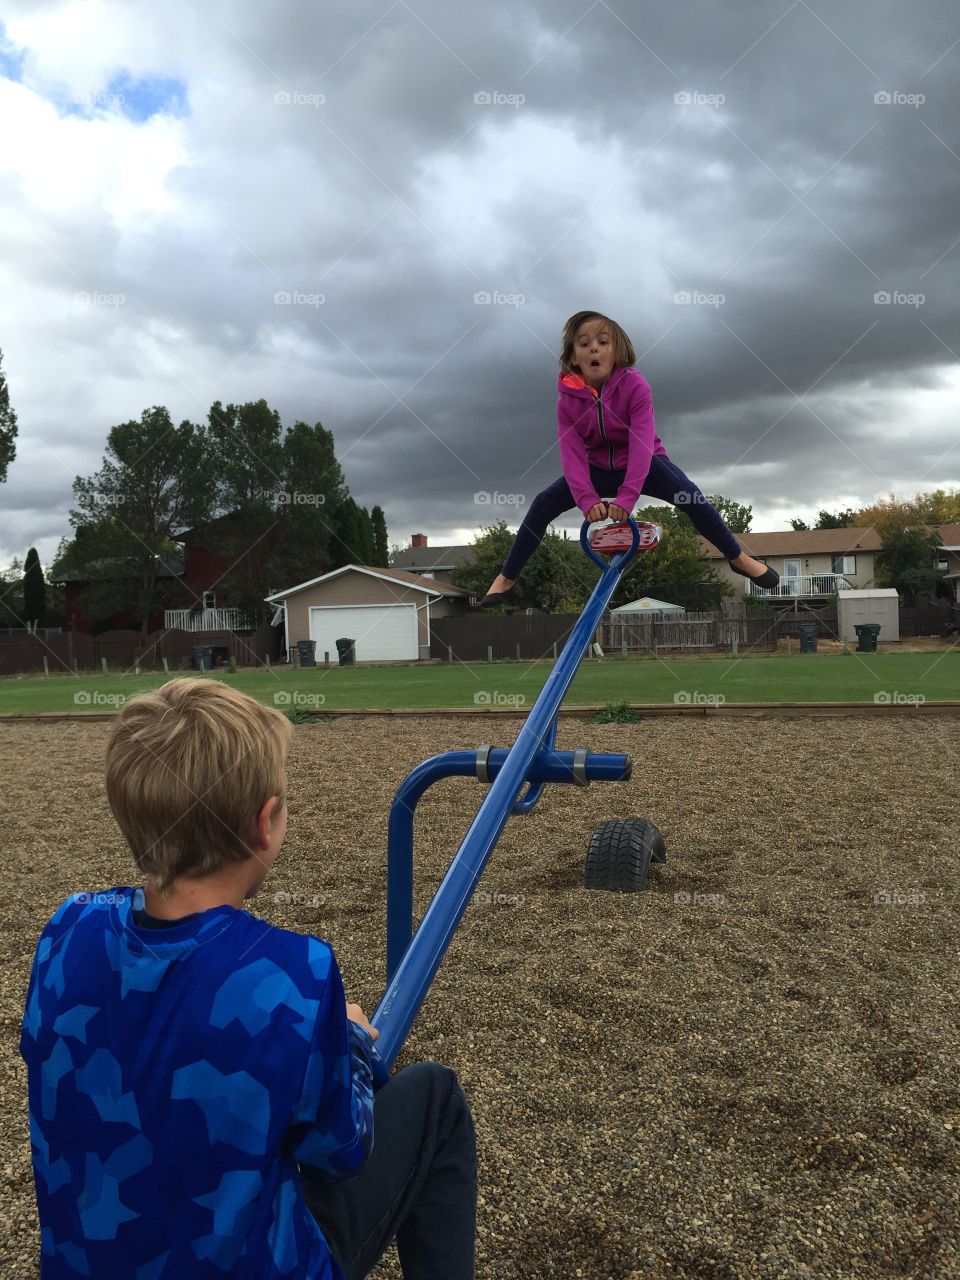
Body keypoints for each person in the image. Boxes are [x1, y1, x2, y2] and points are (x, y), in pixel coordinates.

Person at [19, 678, 476, 1280]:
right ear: (266, 823)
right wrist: (356, 1042)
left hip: (90, 1261)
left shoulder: (66, 927)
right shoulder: (293, 972)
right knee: (434, 1096)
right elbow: (342, 1149)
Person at [479, 309, 779, 606]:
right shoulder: (567, 402)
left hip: (646, 464)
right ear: (574, 358)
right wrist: (586, 499)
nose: (593, 347)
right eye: (583, 344)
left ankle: (738, 557)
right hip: (595, 468)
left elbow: (641, 443)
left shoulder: (635, 386)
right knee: (543, 503)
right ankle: (507, 577)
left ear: (617, 352)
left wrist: (626, 498)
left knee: (690, 496)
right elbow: (571, 455)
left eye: (602, 342)